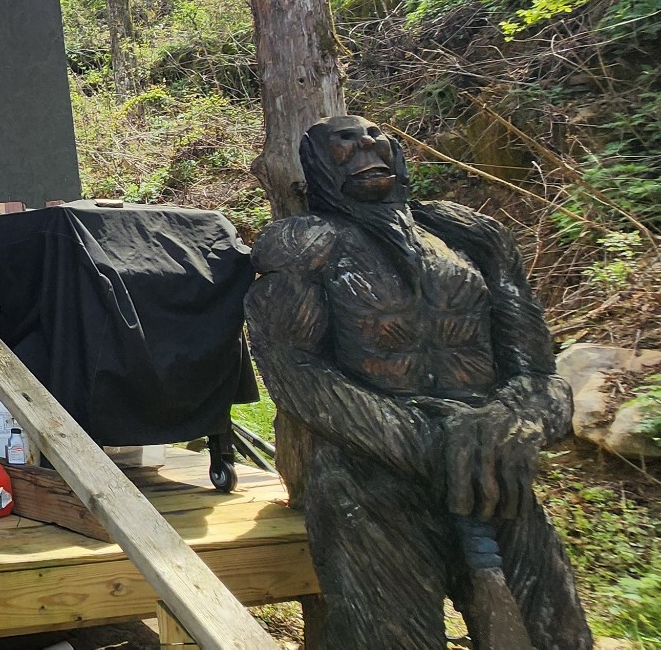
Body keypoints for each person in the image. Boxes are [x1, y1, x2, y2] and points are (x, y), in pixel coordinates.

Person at [246, 115, 591, 650]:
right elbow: (293, 371)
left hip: (494, 471)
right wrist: (427, 440)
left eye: (376, 138)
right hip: (373, 477)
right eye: (344, 142)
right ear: (315, 164)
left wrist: (512, 423)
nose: (364, 146)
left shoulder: (473, 238)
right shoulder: (305, 245)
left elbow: (540, 375)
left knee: (557, 633)